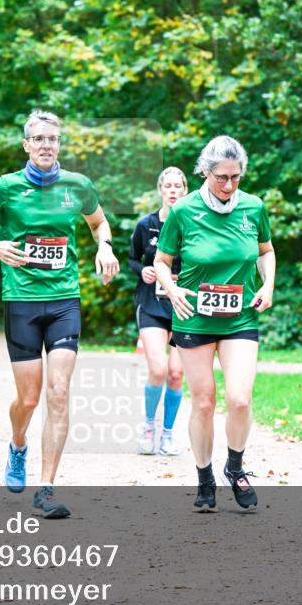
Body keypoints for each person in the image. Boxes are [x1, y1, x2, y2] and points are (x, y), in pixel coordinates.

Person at [0, 110, 120, 519]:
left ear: (59, 144)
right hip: (22, 301)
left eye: (53, 138)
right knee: (29, 399)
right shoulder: (6, 188)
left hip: (65, 299)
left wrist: (105, 246)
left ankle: (46, 488)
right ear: (26, 145)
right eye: (39, 139)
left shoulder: (78, 185)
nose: (47, 145)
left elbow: (99, 224)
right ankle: (17, 444)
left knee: (59, 393)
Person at [153, 136, 275, 513]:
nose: (229, 185)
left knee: (239, 399)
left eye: (236, 177)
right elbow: (161, 261)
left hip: (240, 315)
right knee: (203, 402)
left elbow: (266, 252)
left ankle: (234, 467)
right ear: (205, 172)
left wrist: (268, 284)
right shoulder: (184, 211)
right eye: (221, 177)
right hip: (194, 316)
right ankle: (204, 478)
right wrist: (171, 289)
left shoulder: (253, 207)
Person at [130, 167, 187, 456]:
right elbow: (131, 259)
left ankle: (167, 433)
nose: (174, 190)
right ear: (161, 190)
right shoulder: (146, 224)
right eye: (169, 186)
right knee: (158, 368)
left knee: (176, 374)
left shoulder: (193, 224)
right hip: (152, 305)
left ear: (185, 190)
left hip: (183, 307)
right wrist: (143, 270)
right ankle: (148, 426)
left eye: (179, 186)